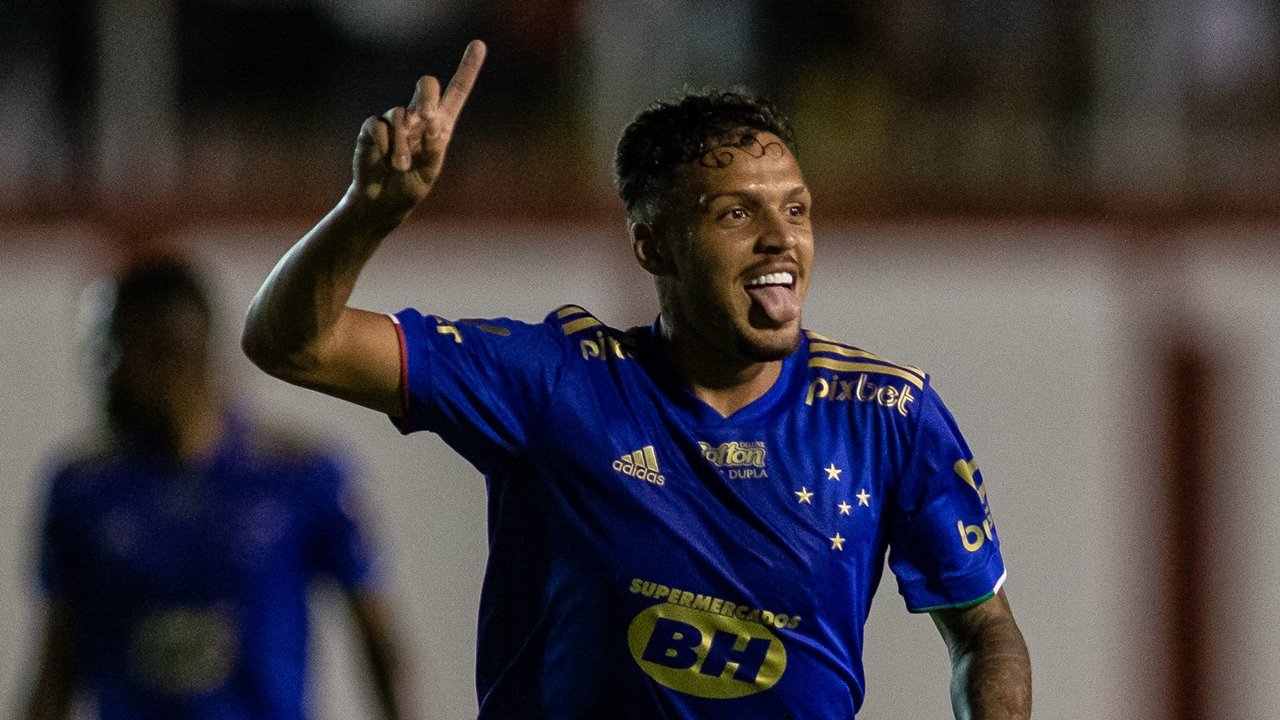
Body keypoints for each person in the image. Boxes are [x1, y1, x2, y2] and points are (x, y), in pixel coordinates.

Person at [241, 39, 1032, 718]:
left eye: (795, 210)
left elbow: (984, 628)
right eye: (735, 215)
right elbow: (293, 346)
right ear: (652, 246)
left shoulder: (886, 414)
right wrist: (366, 213)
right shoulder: (555, 383)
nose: (778, 241)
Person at [23, 258, 424, 720]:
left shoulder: (298, 475)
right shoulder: (82, 492)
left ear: (170, 352)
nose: (102, 377)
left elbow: (379, 645)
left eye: (111, 356)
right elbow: (56, 665)